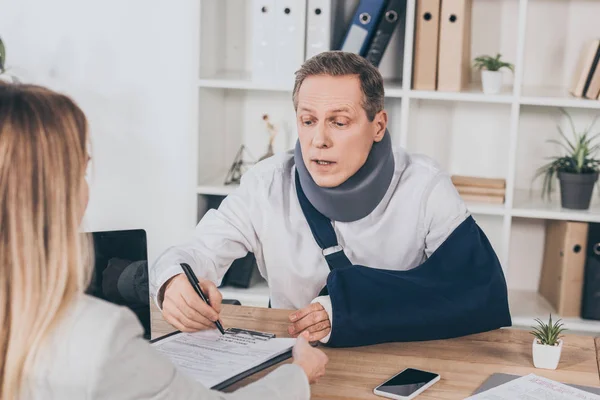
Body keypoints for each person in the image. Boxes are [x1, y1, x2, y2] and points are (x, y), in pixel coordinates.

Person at [150, 51, 511, 348]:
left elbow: (479, 292)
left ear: (378, 126)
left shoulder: (424, 186)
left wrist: (350, 309)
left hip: (392, 355)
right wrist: (174, 283)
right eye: (308, 121)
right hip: (293, 358)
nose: (318, 140)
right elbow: (196, 251)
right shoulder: (266, 183)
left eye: (339, 122)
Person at [0, 82, 328, 400]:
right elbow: (203, 246)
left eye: (338, 122)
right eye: (82, 172)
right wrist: (298, 374)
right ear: (59, 189)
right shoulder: (98, 336)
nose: (321, 140)